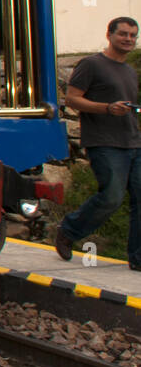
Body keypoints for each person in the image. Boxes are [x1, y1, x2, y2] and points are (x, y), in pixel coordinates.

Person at [55, 17, 141, 267]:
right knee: (112, 197)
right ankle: (69, 230)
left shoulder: (129, 70)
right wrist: (107, 108)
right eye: (123, 34)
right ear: (109, 35)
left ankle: (138, 258)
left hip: (133, 142)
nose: (128, 39)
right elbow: (72, 99)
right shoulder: (91, 64)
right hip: (104, 142)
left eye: (133, 36)